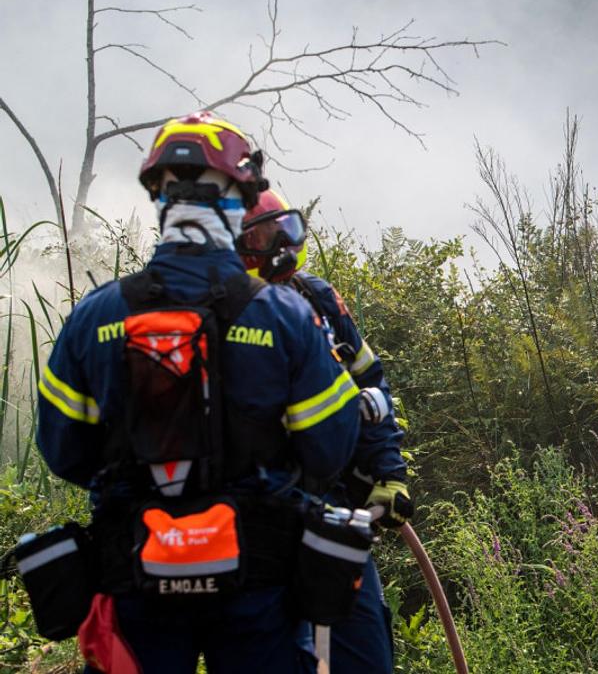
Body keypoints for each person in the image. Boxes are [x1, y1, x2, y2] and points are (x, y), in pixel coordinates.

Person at [35, 111, 360, 673]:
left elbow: (63, 451)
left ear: (159, 196)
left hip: (134, 583)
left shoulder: (94, 317)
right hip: (258, 589)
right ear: (237, 196)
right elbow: (329, 451)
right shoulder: (283, 314)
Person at [240, 189, 412, 674]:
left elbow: (371, 387)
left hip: (334, 511)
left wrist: (388, 473)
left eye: (285, 230)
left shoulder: (316, 296)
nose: (281, 246)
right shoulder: (222, 315)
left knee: (363, 653)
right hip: (257, 523)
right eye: (264, 236)